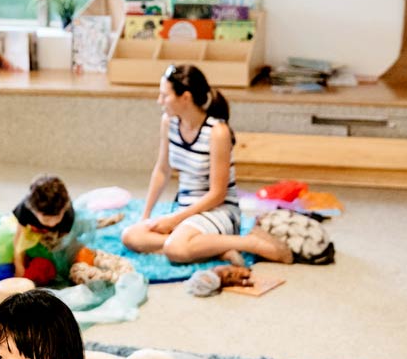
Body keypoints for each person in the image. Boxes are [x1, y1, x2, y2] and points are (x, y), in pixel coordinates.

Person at [121, 64, 301, 268]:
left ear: (185, 97)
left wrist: (174, 219)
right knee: (131, 236)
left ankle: (249, 243)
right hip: (186, 208)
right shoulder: (168, 122)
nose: (159, 101)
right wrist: (145, 217)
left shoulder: (217, 132)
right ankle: (217, 249)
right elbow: (162, 171)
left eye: (165, 96)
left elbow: (218, 194)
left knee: (175, 249)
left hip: (219, 210)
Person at [11, 175, 80, 282]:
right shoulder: (25, 210)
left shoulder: (67, 216)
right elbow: (19, 238)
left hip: (57, 235)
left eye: (57, 217)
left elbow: (64, 244)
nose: (52, 223)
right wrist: (19, 265)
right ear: (34, 211)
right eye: (46, 219)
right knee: (20, 258)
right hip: (33, 230)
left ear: (64, 209)